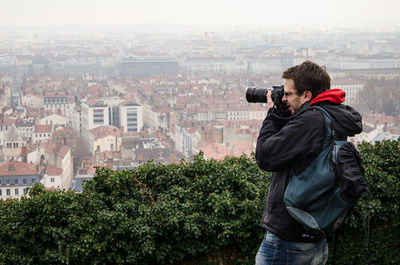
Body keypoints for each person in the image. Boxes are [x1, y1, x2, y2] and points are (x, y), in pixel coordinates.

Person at [254, 61, 363, 265]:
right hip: (314, 232)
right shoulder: (332, 116)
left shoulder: (311, 122)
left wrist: (274, 114)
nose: (284, 98)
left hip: (289, 239)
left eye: (288, 94)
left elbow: (265, 156)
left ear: (306, 95)